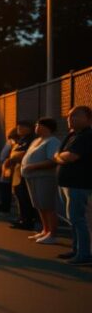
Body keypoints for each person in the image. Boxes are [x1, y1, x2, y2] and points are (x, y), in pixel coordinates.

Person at [54, 105, 92, 265]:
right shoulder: (71, 135)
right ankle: (75, 249)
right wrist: (60, 156)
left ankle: (84, 254)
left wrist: (59, 156)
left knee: (77, 218)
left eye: (76, 116)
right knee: (72, 219)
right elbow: (58, 154)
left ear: (88, 119)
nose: (71, 119)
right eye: (70, 116)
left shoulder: (87, 135)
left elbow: (71, 157)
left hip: (78, 184)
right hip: (66, 183)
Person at [21, 118, 61, 244]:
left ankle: (52, 233)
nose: (36, 127)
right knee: (39, 205)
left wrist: (32, 166)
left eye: (39, 125)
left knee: (47, 205)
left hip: (44, 177)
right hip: (32, 177)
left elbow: (52, 160)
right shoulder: (37, 140)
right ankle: (45, 230)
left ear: (47, 127)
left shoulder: (52, 141)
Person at [6, 122, 37, 231]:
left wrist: (13, 157)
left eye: (22, 127)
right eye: (18, 127)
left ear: (29, 128)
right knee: (19, 196)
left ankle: (27, 220)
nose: (19, 128)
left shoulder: (31, 139)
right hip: (17, 170)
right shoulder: (22, 139)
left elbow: (24, 153)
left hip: (24, 171)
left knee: (25, 197)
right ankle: (22, 218)